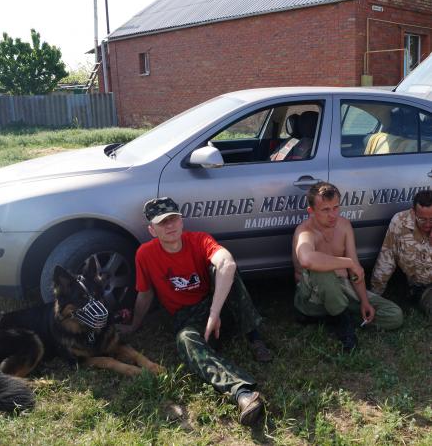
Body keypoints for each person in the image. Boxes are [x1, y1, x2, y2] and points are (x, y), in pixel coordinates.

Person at [121, 197, 272, 426]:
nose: (170, 226)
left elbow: (227, 263)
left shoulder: (199, 239)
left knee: (226, 272)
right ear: (152, 230)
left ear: (182, 222)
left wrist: (214, 313)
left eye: (174, 219)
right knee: (184, 340)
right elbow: (145, 294)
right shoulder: (145, 254)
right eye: (163, 222)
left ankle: (254, 338)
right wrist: (134, 324)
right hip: (187, 318)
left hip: (216, 307)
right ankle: (243, 394)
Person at [292, 182, 403, 351]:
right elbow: (307, 260)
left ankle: (335, 316)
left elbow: (355, 270)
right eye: (325, 210)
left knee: (394, 315)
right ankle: (345, 328)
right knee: (322, 271)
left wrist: (365, 302)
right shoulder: (304, 231)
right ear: (311, 212)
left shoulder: (344, 226)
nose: (333, 215)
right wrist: (347, 262)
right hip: (312, 297)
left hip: (344, 289)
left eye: (336, 207)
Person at [371, 190, 432, 317]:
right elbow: (386, 260)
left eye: (431, 219)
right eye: (422, 219)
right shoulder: (399, 222)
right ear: (413, 212)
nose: (427, 224)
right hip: (424, 288)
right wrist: (373, 297)